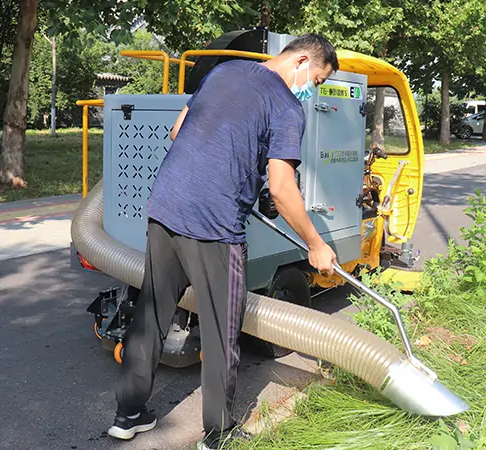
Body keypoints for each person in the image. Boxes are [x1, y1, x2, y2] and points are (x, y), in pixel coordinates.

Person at [106, 33, 340, 450]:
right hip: (214, 227)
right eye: (317, 80)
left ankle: (128, 415)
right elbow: (284, 189)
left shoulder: (224, 71)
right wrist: (315, 243)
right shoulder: (286, 107)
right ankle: (218, 434)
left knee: (152, 316)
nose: (312, 89)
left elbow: (179, 131)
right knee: (220, 333)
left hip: (165, 208)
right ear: (303, 61)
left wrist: (238, 173)